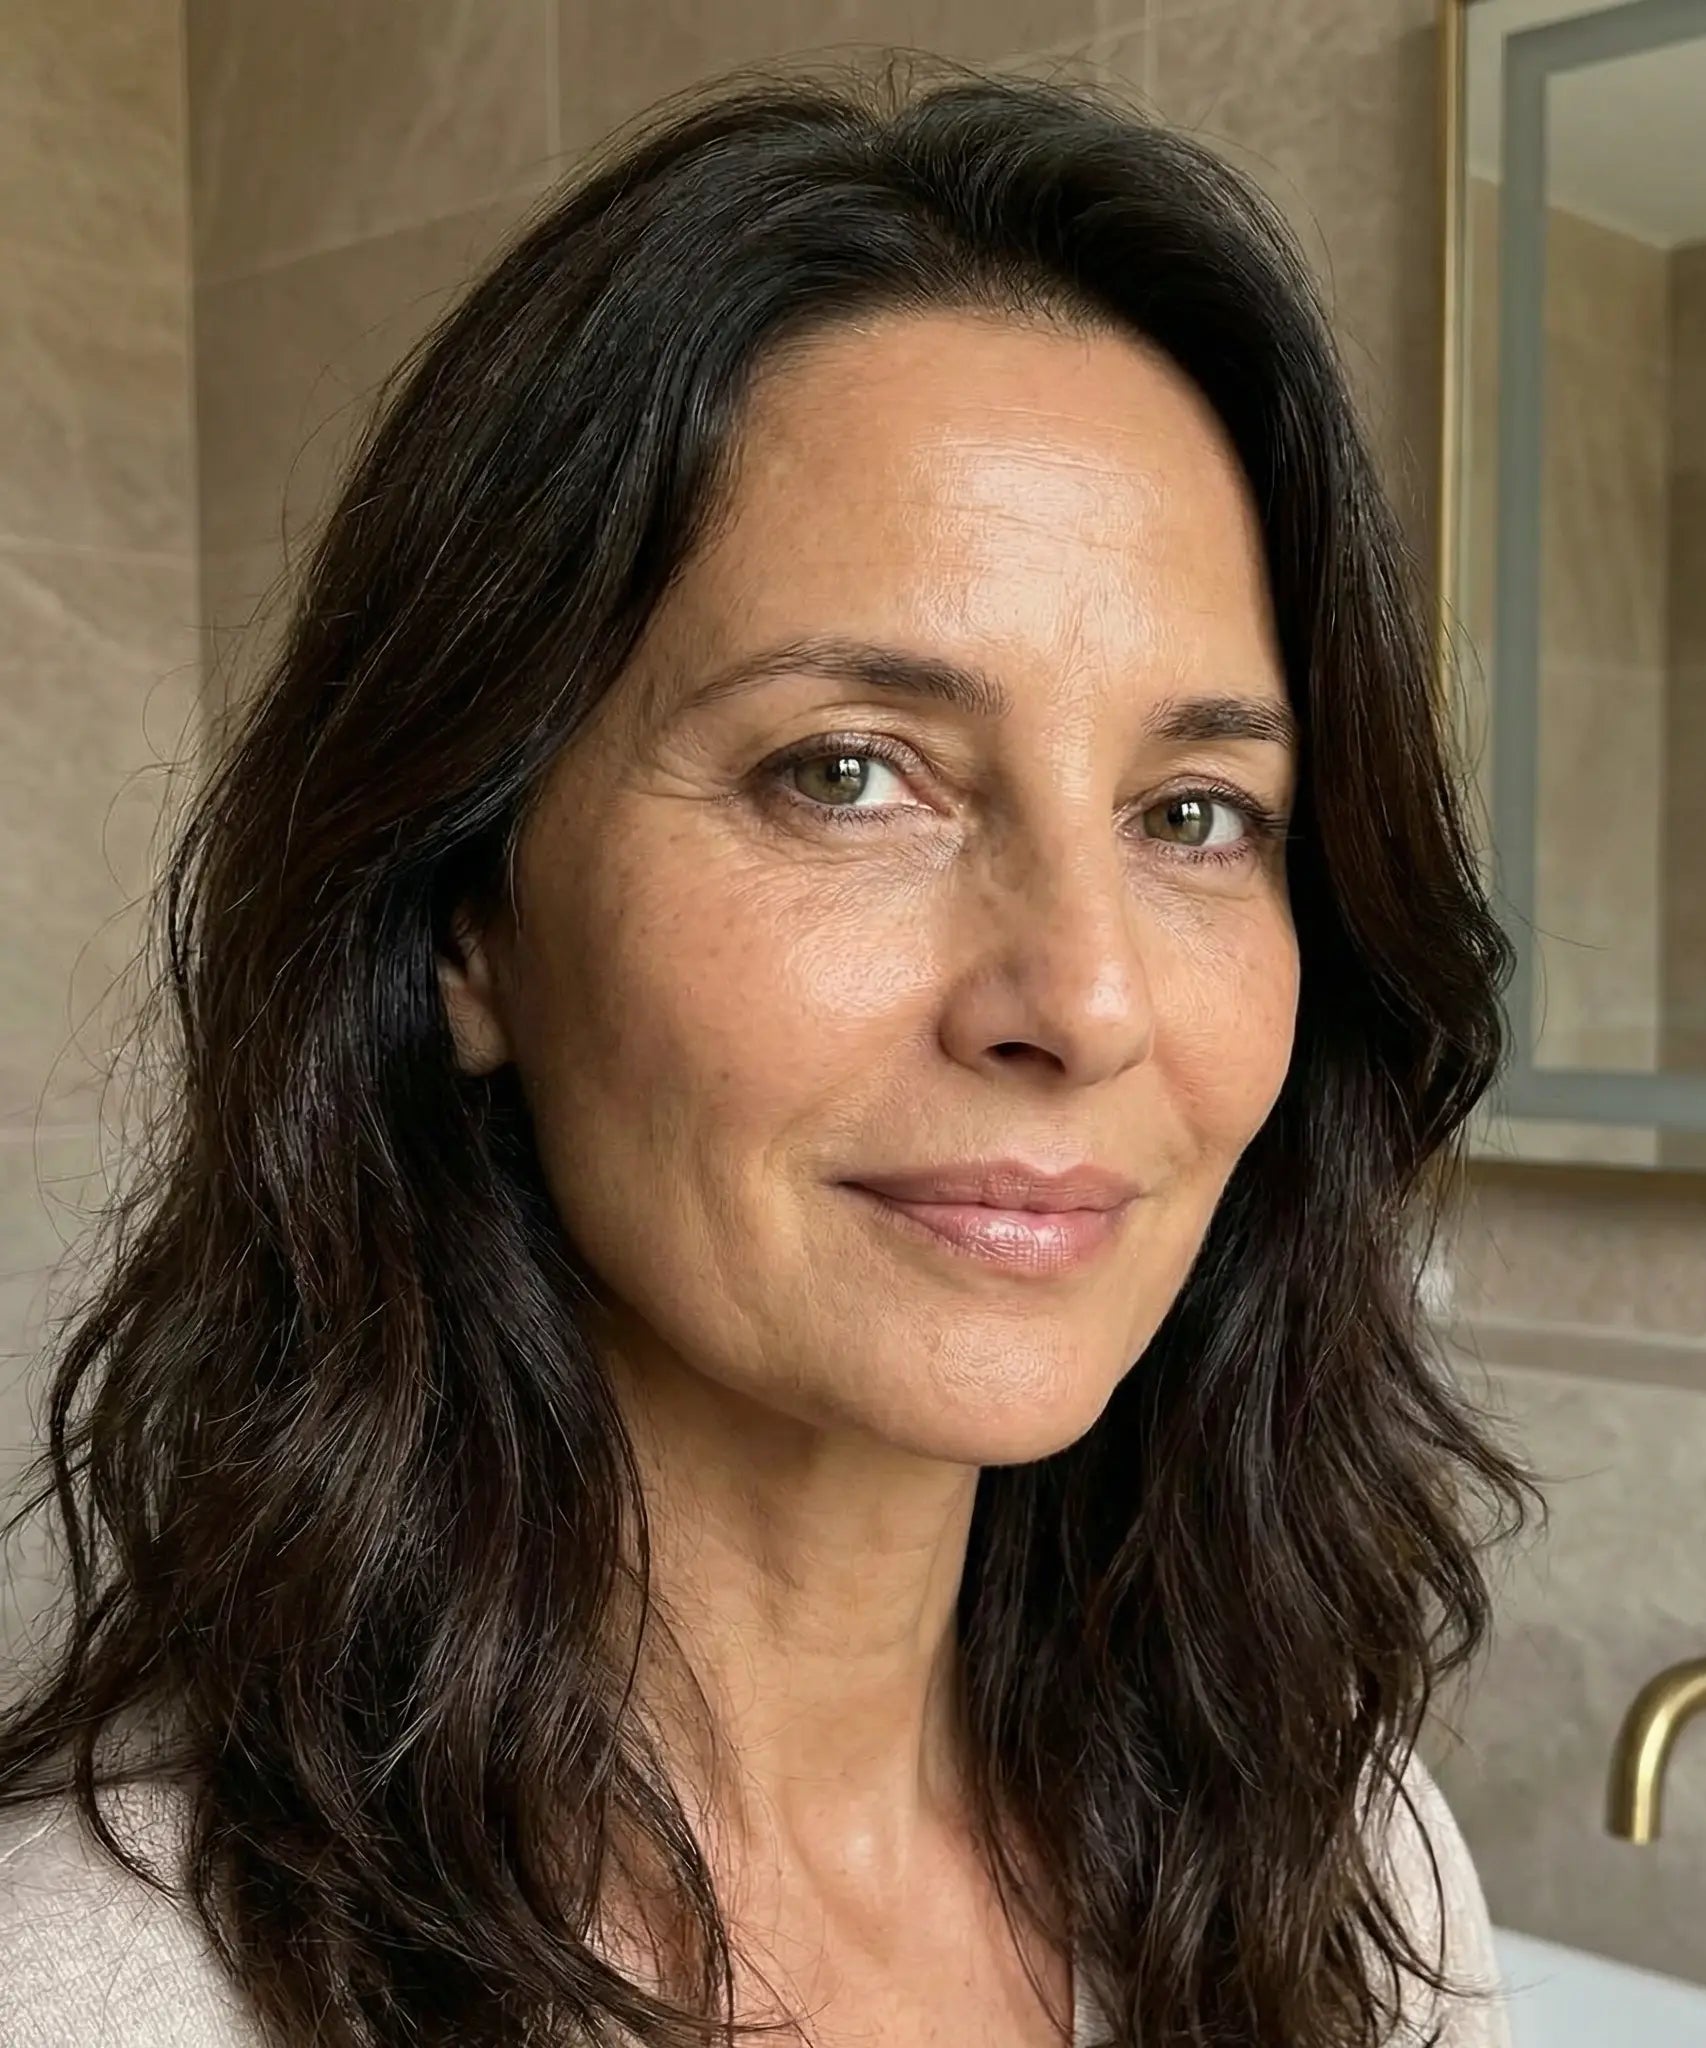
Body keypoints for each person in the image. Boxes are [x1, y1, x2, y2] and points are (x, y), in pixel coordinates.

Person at [0, 61, 1529, 2048]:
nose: (1084, 999)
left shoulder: (1344, 1859)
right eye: (849, 773)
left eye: (1195, 813)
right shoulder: (100, 1991)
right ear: (466, 916)